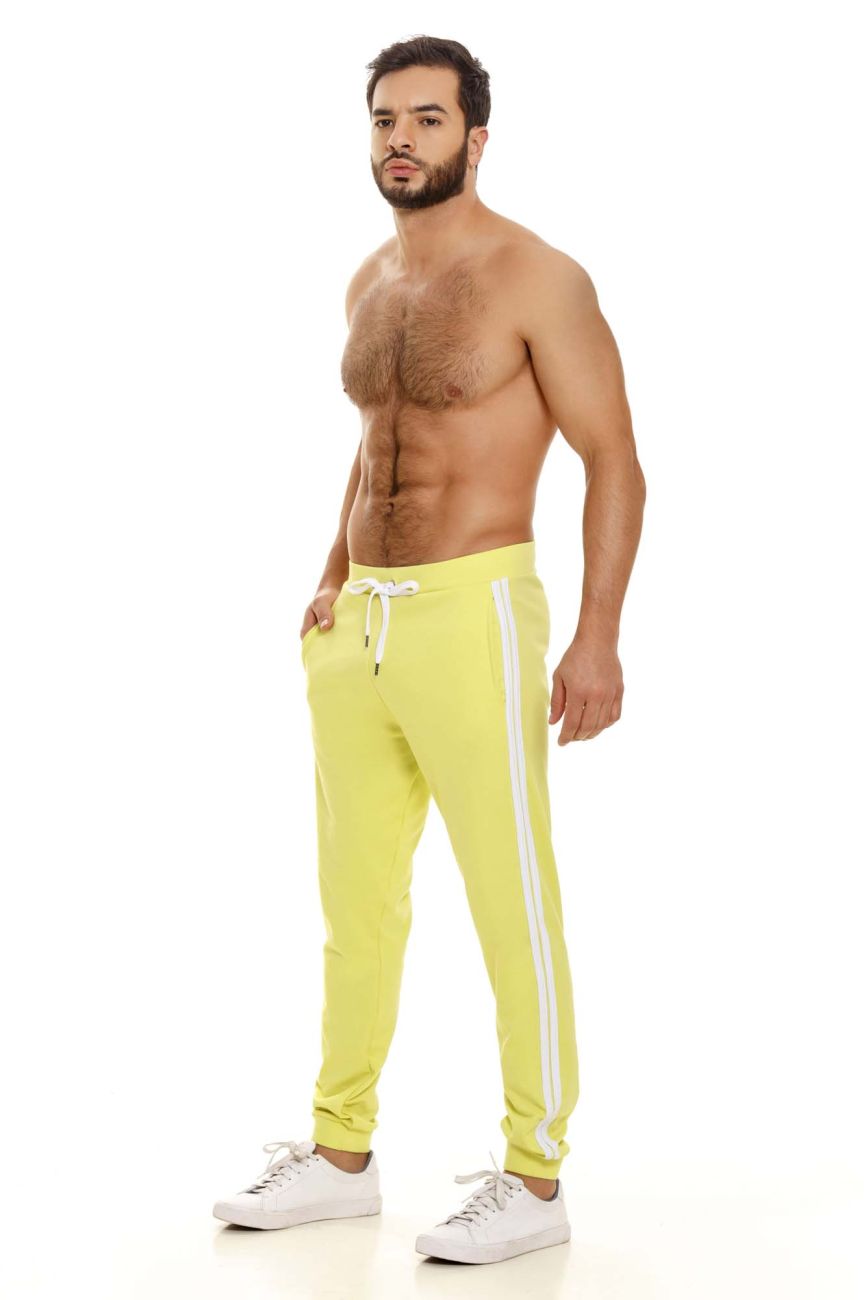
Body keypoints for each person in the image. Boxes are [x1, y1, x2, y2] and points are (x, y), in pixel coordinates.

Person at [213, 34, 646, 1266]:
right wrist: (331, 573)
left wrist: (597, 637)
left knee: (511, 897)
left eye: (427, 119)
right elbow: (377, 445)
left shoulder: (537, 278)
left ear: (475, 137)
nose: (400, 139)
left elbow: (613, 459)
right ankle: (339, 1153)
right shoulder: (369, 281)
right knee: (354, 903)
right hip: (361, 626)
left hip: (473, 613)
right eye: (384, 120)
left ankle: (534, 1174)